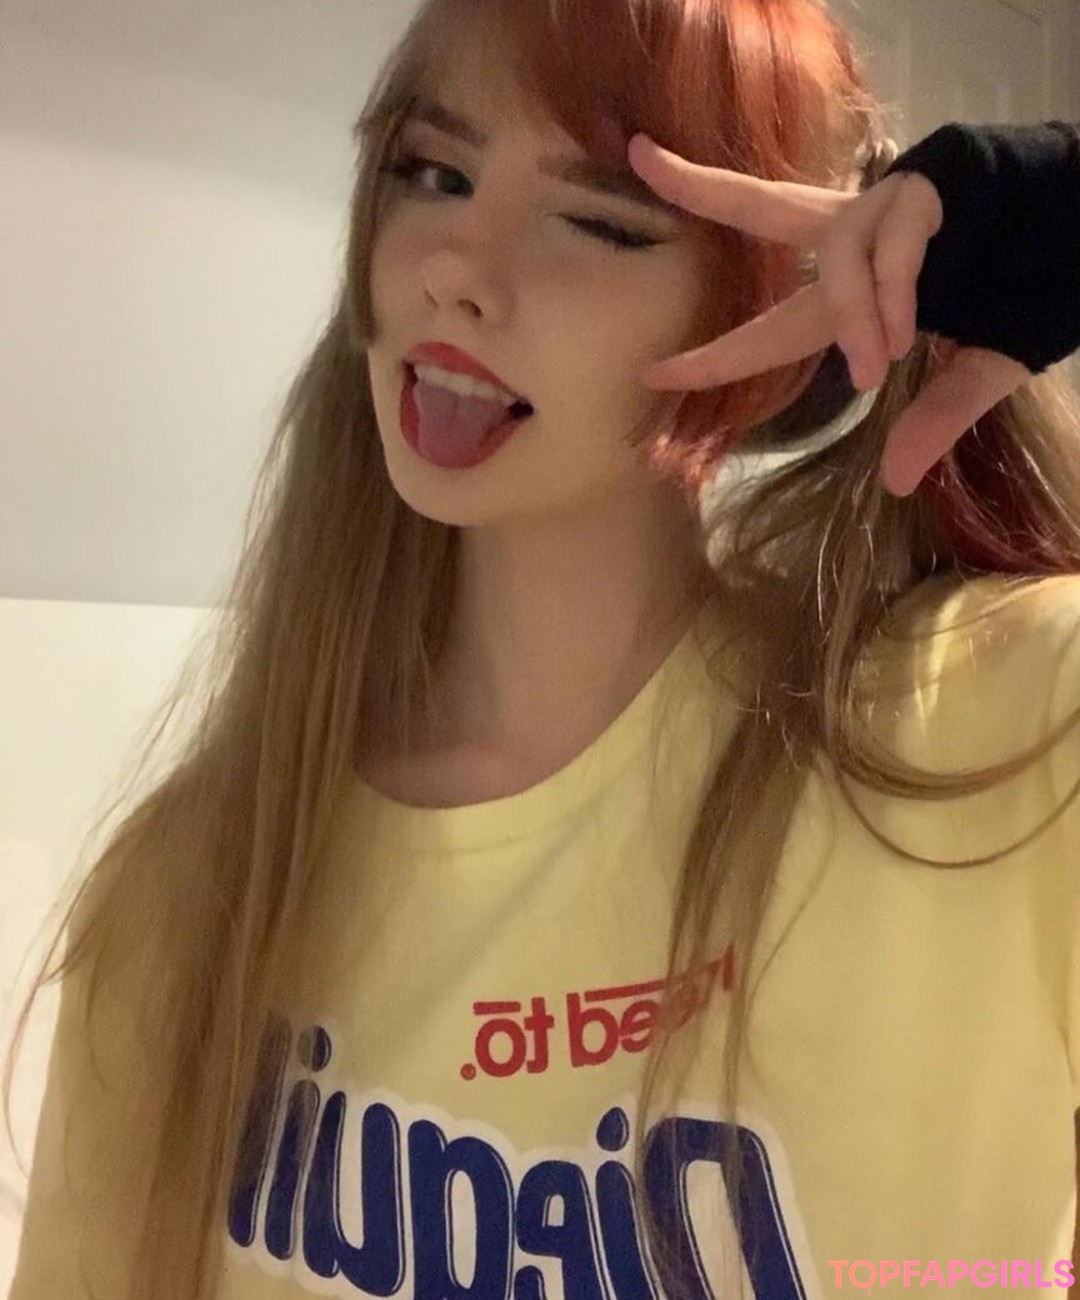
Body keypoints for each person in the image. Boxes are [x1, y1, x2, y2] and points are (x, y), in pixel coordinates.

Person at [5, 0, 1080, 1296]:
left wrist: (1054, 204)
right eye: (432, 173)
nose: (456, 267)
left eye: (599, 222)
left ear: (769, 330)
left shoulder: (996, 746)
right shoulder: (186, 892)